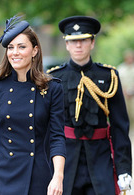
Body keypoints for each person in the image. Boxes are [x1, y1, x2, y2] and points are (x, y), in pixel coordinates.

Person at [0, 15, 66, 195]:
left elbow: (57, 137)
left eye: (22, 47)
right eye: (11, 47)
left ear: (34, 50)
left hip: (38, 176)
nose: (15, 52)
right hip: (3, 176)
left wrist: (58, 176)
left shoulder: (52, 88)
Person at [48, 16, 132, 195]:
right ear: (66, 44)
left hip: (101, 161)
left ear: (92, 42)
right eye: (73, 41)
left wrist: (124, 170)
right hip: (65, 163)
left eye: (83, 40)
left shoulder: (110, 76)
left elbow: (120, 128)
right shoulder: (54, 79)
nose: (78, 45)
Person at [118, 49, 134, 125]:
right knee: (125, 115)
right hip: (124, 96)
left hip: (133, 96)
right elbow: (118, 82)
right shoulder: (120, 69)